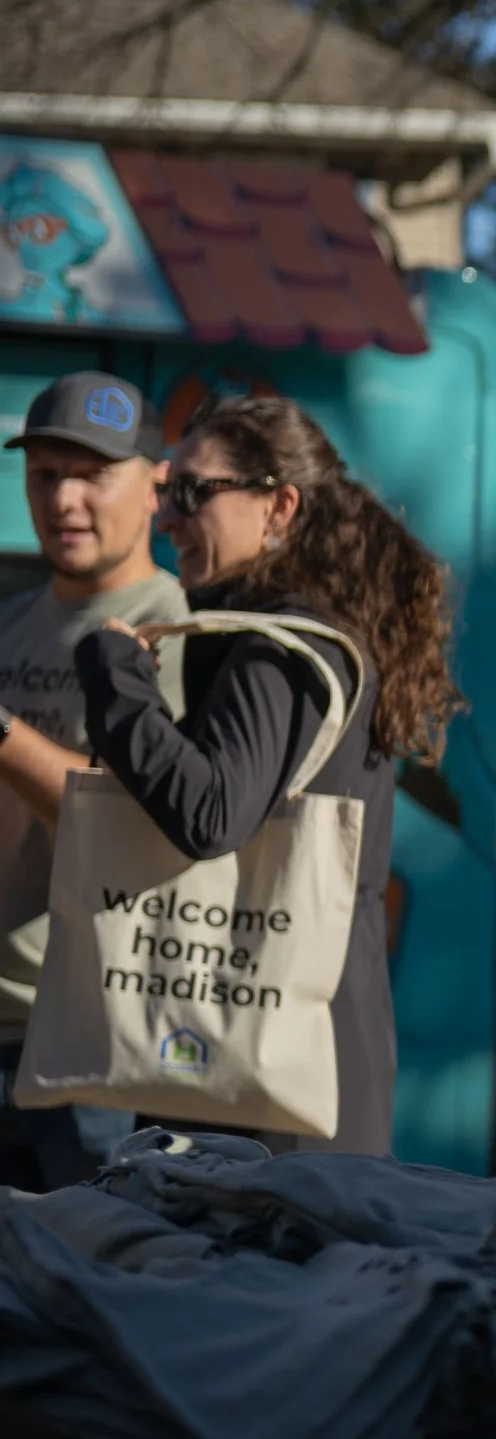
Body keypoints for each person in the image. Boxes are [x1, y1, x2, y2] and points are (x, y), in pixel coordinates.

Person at [74, 395, 461, 1156]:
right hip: (303, 1064)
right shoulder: (314, 640)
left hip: (265, 1099)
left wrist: (113, 676)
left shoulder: (283, 649)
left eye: (193, 493)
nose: (167, 520)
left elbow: (211, 811)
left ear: (279, 503)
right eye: (166, 494)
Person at [0, 370, 190, 1193]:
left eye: (93, 473)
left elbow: (125, 827)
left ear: (156, 486)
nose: (66, 498)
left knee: (84, 1305)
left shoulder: (179, 629)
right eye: (45, 473)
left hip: (89, 1046)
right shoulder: (11, 620)